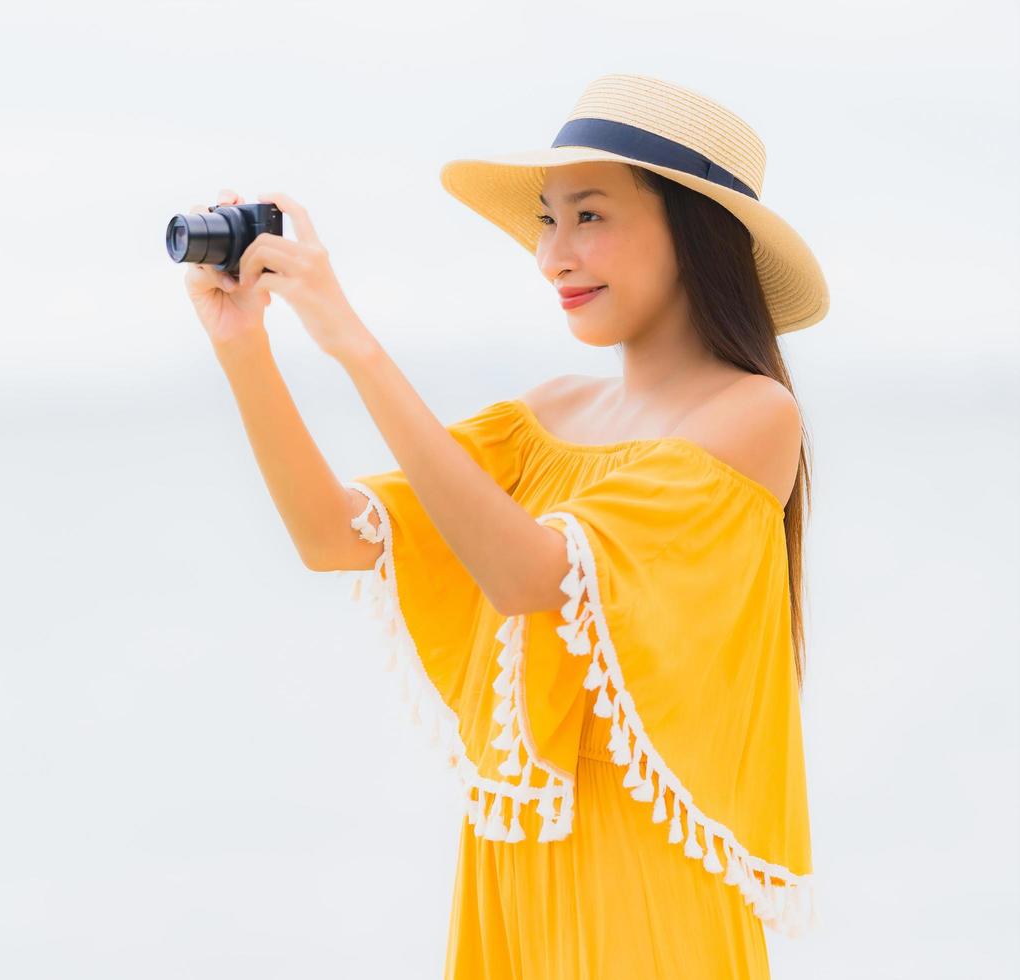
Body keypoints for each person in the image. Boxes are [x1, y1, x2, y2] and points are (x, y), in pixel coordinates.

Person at [181, 72, 821, 979]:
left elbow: (535, 578)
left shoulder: (751, 415)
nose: (553, 256)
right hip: (510, 862)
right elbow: (333, 536)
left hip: (642, 881)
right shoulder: (544, 417)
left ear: (692, 229)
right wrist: (243, 343)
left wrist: (351, 339)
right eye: (546, 222)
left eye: (589, 217)